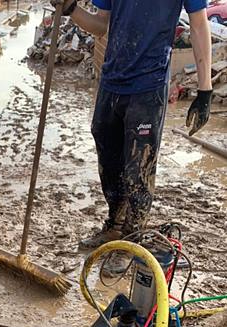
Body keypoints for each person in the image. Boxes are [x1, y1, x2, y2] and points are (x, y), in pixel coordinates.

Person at [58, 0, 212, 274]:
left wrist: (204, 91)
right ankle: (114, 226)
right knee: (109, 161)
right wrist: (72, 9)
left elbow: (199, 26)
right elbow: (101, 24)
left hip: (148, 87)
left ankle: (131, 239)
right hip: (112, 80)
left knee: (138, 170)